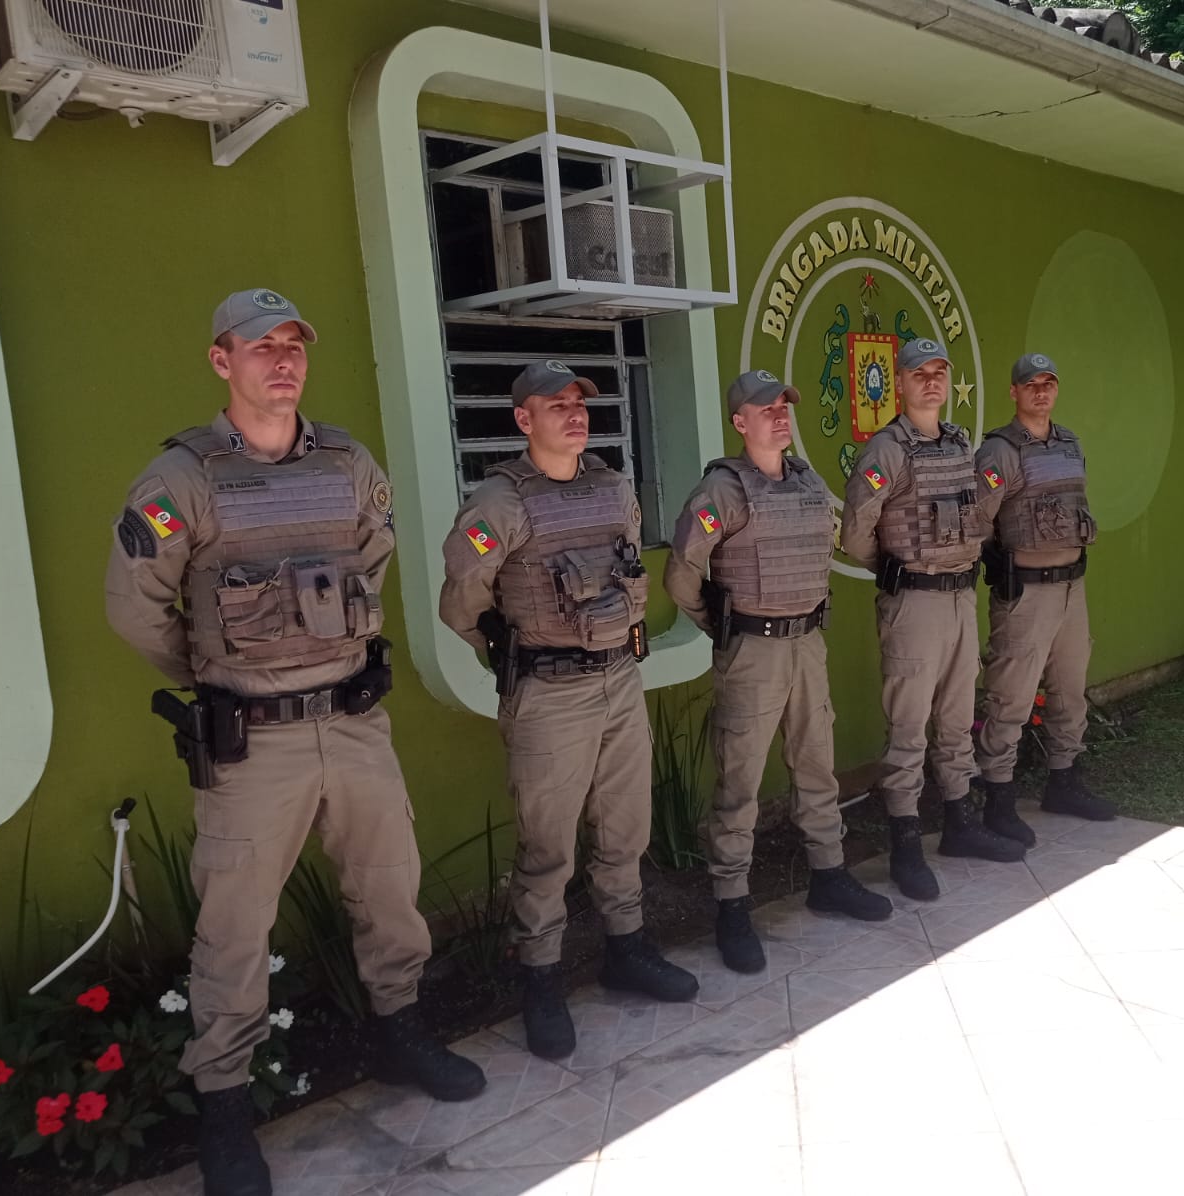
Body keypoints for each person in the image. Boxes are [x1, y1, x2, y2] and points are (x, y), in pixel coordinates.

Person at [106, 289, 484, 1196]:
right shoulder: (183, 480)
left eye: (293, 346)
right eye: (260, 347)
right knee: (234, 930)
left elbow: (374, 561)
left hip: (354, 724)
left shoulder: (350, 463)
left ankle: (400, 1031)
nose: (282, 361)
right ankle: (226, 1106)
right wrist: (217, 668)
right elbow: (134, 608)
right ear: (220, 362)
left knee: (391, 893)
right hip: (251, 745)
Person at [438, 359, 697, 1062]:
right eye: (556, 405)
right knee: (547, 847)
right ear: (524, 420)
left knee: (626, 829)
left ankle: (626, 948)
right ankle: (541, 980)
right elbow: (462, 602)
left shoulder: (614, 489)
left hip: (618, 680)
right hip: (549, 695)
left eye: (579, 402)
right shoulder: (498, 504)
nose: (575, 414)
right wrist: (516, 656)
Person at [664, 370, 893, 973]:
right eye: (765, 410)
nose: (778, 416)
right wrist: (722, 628)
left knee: (817, 764)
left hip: (806, 642)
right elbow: (683, 574)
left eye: (783, 406)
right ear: (740, 423)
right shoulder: (723, 490)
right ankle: (732, 905)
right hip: (753, 652)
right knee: (738, 782)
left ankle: (828, 873)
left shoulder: (808, 479)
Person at [840, 337, 1028, 902]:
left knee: (954, 720)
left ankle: (959, 825)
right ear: (899, 383)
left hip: (959, 600)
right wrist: (897, 570)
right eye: (919, 373)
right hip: (915, 605)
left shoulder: (959, 443)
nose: (931, 381)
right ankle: (904, 846)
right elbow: (854, 534)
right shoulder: (887, 452)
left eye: (939, 372)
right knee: (908, 731)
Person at [974, 352, 1116, 836]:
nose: (1040, 391)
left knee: (1069, 691)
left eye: (1048, 382)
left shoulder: (1070, 444)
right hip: (1026, 595)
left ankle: (1064, 781)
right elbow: (979, 523)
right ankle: (998, 796)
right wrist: (1000, 567)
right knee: (1010, 697)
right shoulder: (998, 452)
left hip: (1072, 588)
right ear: (1013, 392)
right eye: (1030, 384)